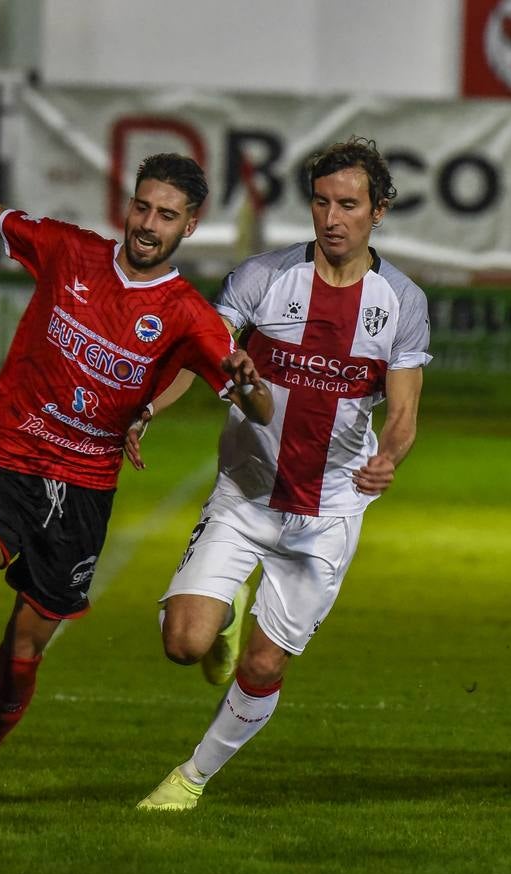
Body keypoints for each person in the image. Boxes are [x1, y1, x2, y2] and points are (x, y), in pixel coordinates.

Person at [0, 151, 274, 805]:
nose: (148, 224)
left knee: (21, 656)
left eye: (166, 215)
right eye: (142, 207)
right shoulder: (69, 251)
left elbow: (255, 407)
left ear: (189, 227)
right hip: (9, 456)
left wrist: (252, 389)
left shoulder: (187, 316)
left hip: (83, 493)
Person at [131, 137, 431, 811]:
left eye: (348, 205)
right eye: (321, 202)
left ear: (377, 211)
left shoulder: (400, 301)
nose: (331, 218)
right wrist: (149, 406)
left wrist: (389, 456)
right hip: (246, 494)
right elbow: (199, 354)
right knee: (184, 644)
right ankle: (224, 616)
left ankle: (188, 780)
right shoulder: (262, 278)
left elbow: (405, 412)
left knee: (265, 666)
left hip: (328, 510)